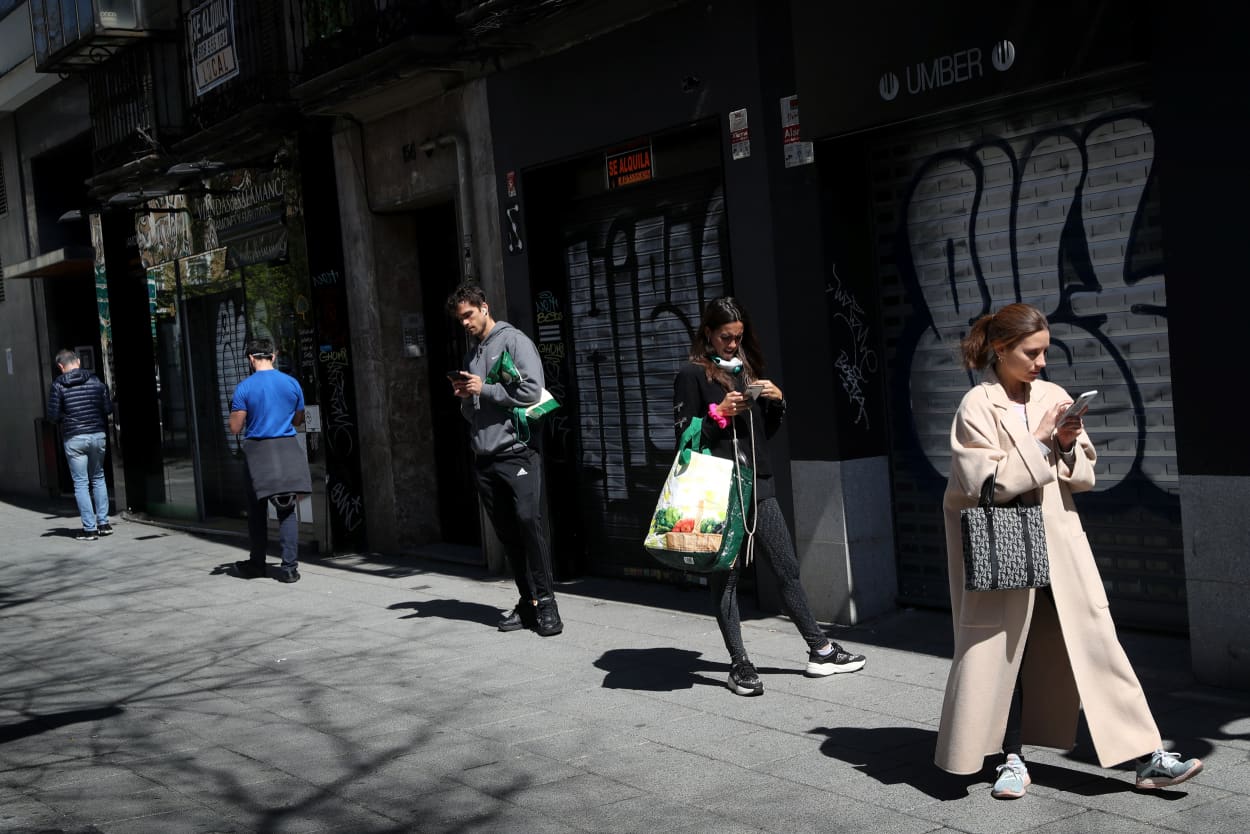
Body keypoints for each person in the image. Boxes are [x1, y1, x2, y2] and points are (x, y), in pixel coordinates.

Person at [934, 302, 1203, 798]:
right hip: (1006, 541)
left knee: (1098, 642)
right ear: (1000, 349)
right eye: (1031, 353)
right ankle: (1008, 759)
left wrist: (1066, 441)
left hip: (1058, 542)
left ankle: (1146, 756)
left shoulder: (1053, 395)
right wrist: (1038, 444)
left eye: (1044, 352)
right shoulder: (977, 405)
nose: (1041, 363)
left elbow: (1082, 476)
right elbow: (984, 484)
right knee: (1002, 651)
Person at [673, 297, 866, 696]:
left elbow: (764, 436)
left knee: (787, 568)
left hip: (759, 485)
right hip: (719, 491)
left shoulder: (745, 370)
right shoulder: (691, 375)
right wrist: (718, 413)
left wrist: (777, 403)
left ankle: (820, 650)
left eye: (738, 337)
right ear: (708, 332)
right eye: (726, 337)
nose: (732, 344)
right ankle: (740, 664)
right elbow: (685, 443)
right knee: (723, 579)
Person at [446, 283, 562, 637]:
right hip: (485, 457)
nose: (464, 322)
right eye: (459, 318)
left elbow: (532, 390)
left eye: (468, 314)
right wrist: (466, 398)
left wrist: (487, 389)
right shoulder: (473, 356)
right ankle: (527, 604)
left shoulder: (514, 341)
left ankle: (548, 606)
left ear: (484, 307)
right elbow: (475, 414)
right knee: (509, 536)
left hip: (518, 453)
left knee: (529, 522)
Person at [229, 339, 311, 584]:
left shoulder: (244, 388)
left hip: (258, 452)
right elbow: (298, 421)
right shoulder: (292, 383)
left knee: (256, 511)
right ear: (273, 357)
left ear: (250, 359)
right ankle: (288, 568)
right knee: (286, 510)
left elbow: (235, 427)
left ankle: (257, 564)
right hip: (287, 448)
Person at [46, 348, 114, 540]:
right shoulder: (96, 381)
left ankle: (90, 529)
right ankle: (104, 523)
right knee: (99, 478)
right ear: (78, 361)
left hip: (74, 437)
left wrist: (66, 419)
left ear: (61, 366)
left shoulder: (58, 385)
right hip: (97, 435)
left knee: (81, 483)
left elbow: (52, 415)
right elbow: (107, 408)